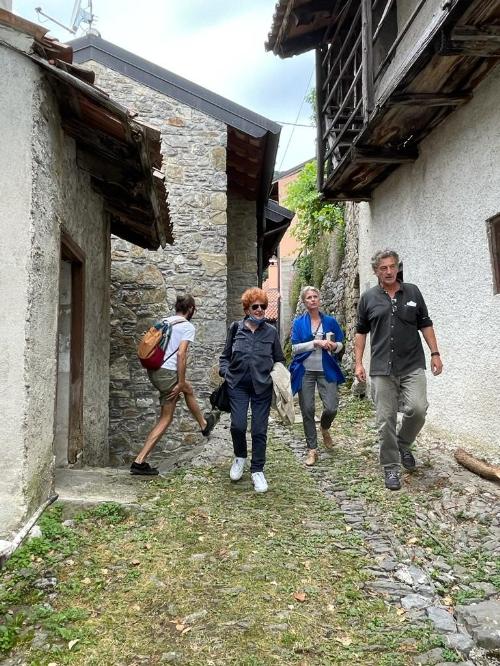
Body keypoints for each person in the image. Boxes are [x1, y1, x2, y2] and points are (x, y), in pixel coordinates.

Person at [354, 249, 443, 491]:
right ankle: (391, 467)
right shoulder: (368, 298)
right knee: (386, 420)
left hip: (412, 363)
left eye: (392, 266)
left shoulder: (412, 292)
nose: (389, 271)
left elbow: (425, 323)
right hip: (382, 368)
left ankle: (403, 443)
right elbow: (361, 332)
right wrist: (359, 362)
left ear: (397, 267)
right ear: (376, 271)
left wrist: (435, 353)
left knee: (418, 409)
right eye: (383, 268)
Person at [130, 294, 217, 476]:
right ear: (191, 309)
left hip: (155, 371)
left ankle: (203, 424)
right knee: (166, 417)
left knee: (187, 389)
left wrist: (182, 384)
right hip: (167, 372)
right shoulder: (186, 326)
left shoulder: (165, 321)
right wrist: (180, 381)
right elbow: (181, 355)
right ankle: (139, 461)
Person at [219, 288, 285, 493]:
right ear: (247, 308)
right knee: (238, 426)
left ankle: (257, 470)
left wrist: (277, 376)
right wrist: (226, 374)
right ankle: (240, 457)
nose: (259, 310)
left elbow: (280, 359)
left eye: (262, 306)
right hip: (237, 385)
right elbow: (225, 357)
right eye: (254, 306)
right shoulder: (235, 328)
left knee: (259, 429)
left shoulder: (271, 332)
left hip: (261, 387)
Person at [290, 286, 345, 466]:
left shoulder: (330, 321)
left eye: (315, 297)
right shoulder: (299, 323)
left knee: (331, 407)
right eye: (309, 298)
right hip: (305, 370)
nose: (312, 300)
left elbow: (341, 344)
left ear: (319, 300)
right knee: (307, 410)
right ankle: (312, 449)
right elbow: (295, 348)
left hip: (326, 368)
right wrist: (314, 343)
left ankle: (325, 427)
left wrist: (333, 346)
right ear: (305, 302)